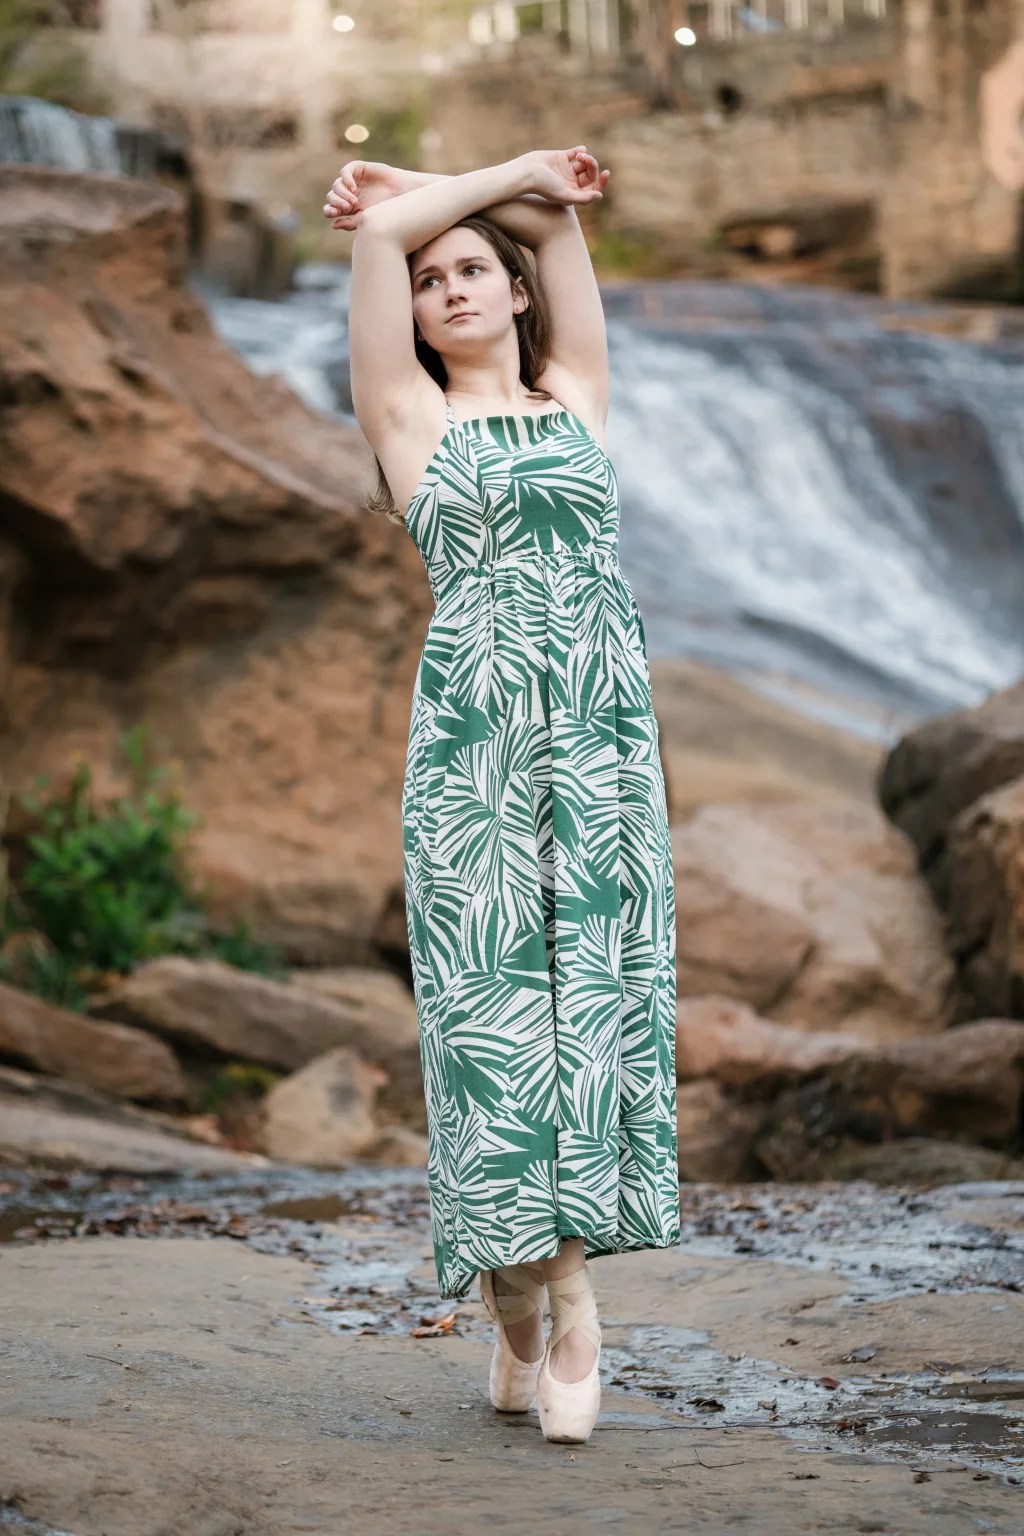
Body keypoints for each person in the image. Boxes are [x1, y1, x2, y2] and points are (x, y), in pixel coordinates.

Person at [323, 148, 679, 1445]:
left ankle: (537, 1291)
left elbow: (557, 216)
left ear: (518, 294)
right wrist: (475, 182)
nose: (453, 286)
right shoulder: (407, 419)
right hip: (475, 743)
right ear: (412, 317)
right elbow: (375, 245)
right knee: (491, 1024)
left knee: (590, 999)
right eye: (433, 282)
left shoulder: (576, 387)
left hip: (599, 734)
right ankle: (548, 1297)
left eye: (475, 269)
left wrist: (421, 179)